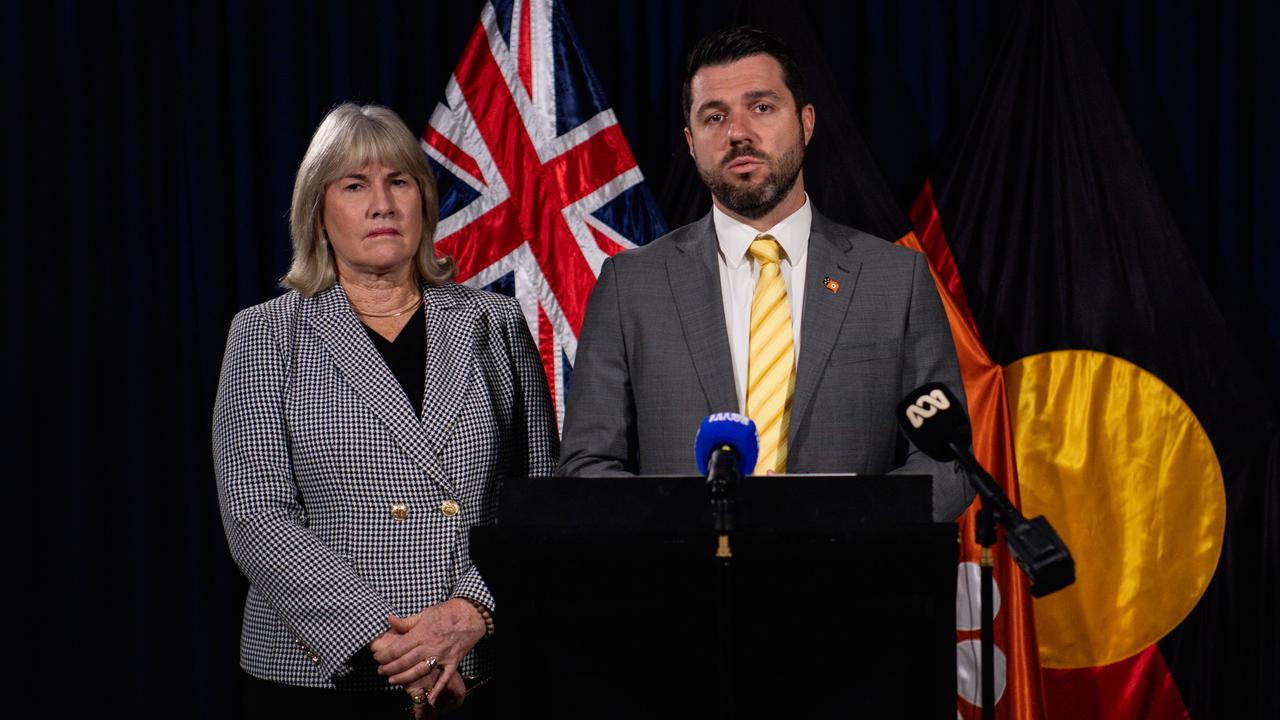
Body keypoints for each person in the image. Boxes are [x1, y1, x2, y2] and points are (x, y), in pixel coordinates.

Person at [213, 102, 558, 718]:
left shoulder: (495, 325)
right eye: (354, 185)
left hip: (474, 667)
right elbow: (256, 517)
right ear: (318, 212)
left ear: (423, 202)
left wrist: (472, 611)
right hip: (317, 676)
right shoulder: (265, 335)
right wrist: (392, 642)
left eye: (399, 181)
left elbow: (539, 497)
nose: (382, 203)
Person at [557, 27, 971, 521]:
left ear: (806, 122)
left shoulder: (895, 279)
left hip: (848, 587)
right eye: (715, 116)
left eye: (762, 107)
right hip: (690, 587)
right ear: (690, 142)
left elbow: (950, 464)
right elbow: (587, 466)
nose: (737, 133)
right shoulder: (632, 286)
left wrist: (842, 524)